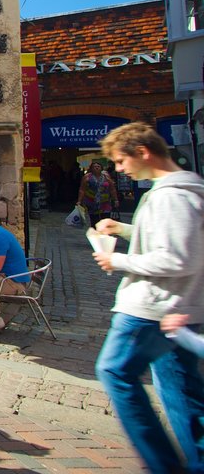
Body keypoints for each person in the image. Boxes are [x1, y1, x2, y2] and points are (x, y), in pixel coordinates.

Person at [91, 122, 204, 474]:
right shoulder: (184, 190)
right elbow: (174, 242)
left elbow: (177, 258)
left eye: (121, 161)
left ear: (143, 152)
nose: (119, 169)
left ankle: (163, 465)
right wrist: (124, 230)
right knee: (181, 393)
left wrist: (117, 260)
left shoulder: (171, 194)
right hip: (180, 308)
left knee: (114, 372)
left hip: (153, 305)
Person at [79, 161, 119, 225]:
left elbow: (112, 189)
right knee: (94, 221)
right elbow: (82, 189)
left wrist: (116, 200)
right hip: (92, 202)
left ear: (101, 168)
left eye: (98, 166)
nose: (96, 168)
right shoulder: (87, 177)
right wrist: (79, 201)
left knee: (105, 220)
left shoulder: (106, 176)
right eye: (94, 167)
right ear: (91, 168)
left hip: (105, 202)